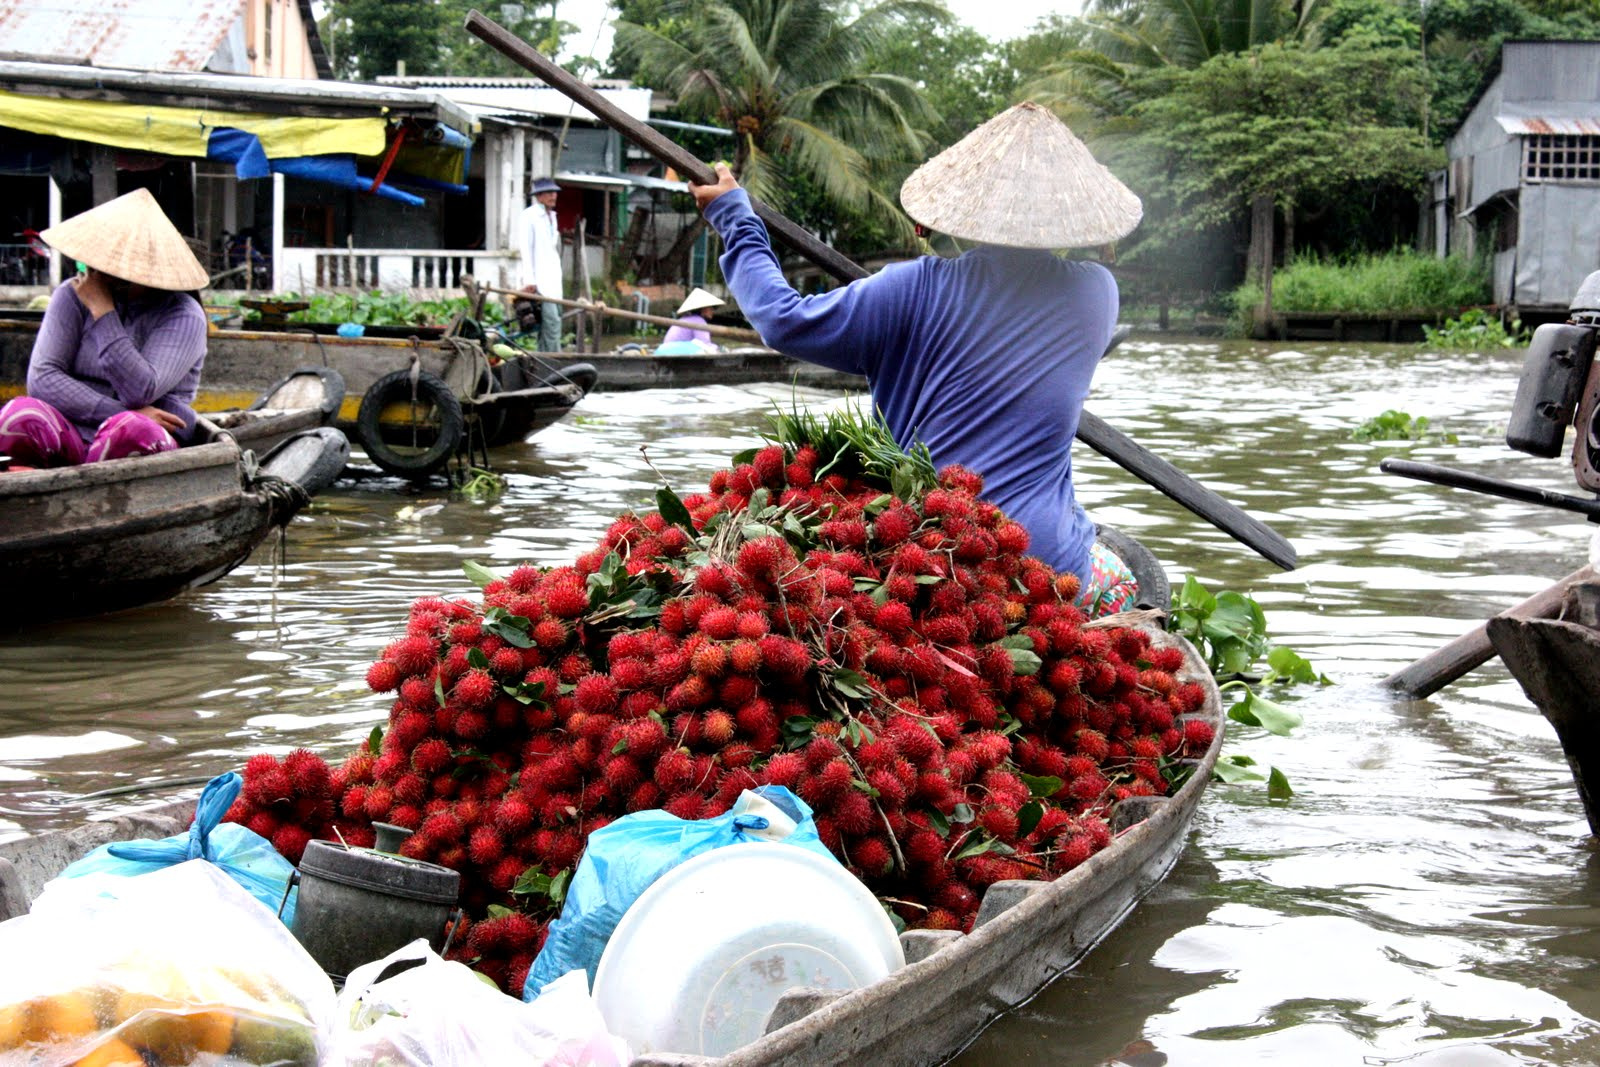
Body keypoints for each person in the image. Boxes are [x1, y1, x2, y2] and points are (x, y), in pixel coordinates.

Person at [690, 102, 1145, 615]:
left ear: (946, 218)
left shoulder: (907, 289)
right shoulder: (1096, 296)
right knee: (1125, 579)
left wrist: (735, 220)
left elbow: (781, 319)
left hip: (928, 558)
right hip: (1047, 565)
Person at [0, 188, 210, 468]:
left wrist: (103, 312)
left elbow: (140, 390)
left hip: (147, 440)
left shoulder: (183, 315)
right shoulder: (71, 296)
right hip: (73, 430)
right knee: (18, 414)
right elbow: (42, 378)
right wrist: (119, 412)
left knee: (131, 430)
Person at [516, 176, 565, 352]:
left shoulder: (552, 216)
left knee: (552, 321)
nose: (553, 196)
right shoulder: (530, 216)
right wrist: (530, 280)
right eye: (549, 193)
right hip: (540, 282)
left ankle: (545, 357)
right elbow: (526, 249)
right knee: (551, 322)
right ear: (539, 196)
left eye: (554, 192)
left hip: (553, 280)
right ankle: (554, 359)